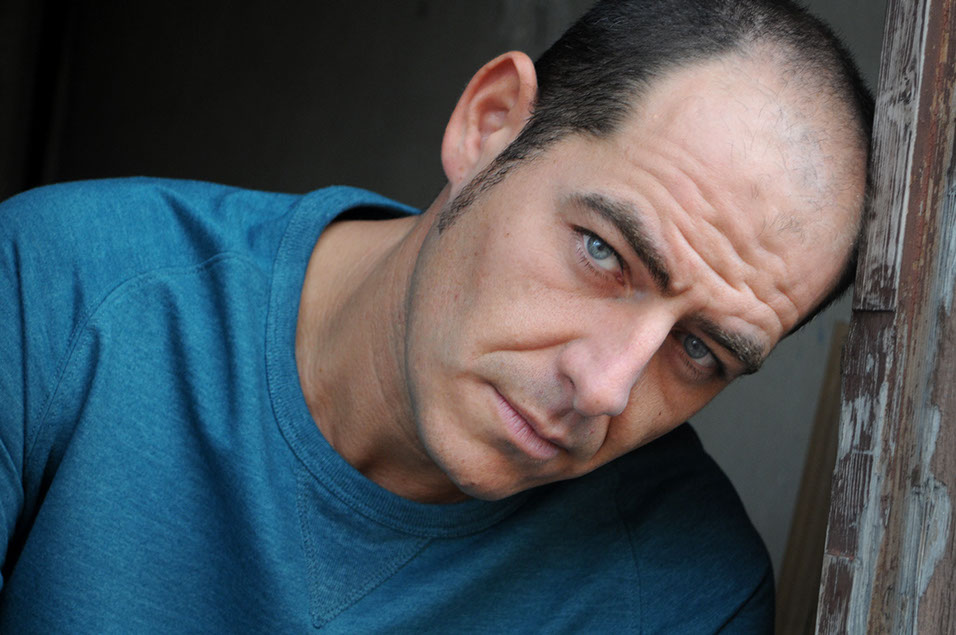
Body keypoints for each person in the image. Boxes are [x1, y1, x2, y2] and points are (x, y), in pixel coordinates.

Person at [0, 0, 871, 631]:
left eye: (700, 350)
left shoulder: (686, 597)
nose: (605, 388)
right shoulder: (61, 287)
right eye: (604, 252)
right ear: (490, 126)